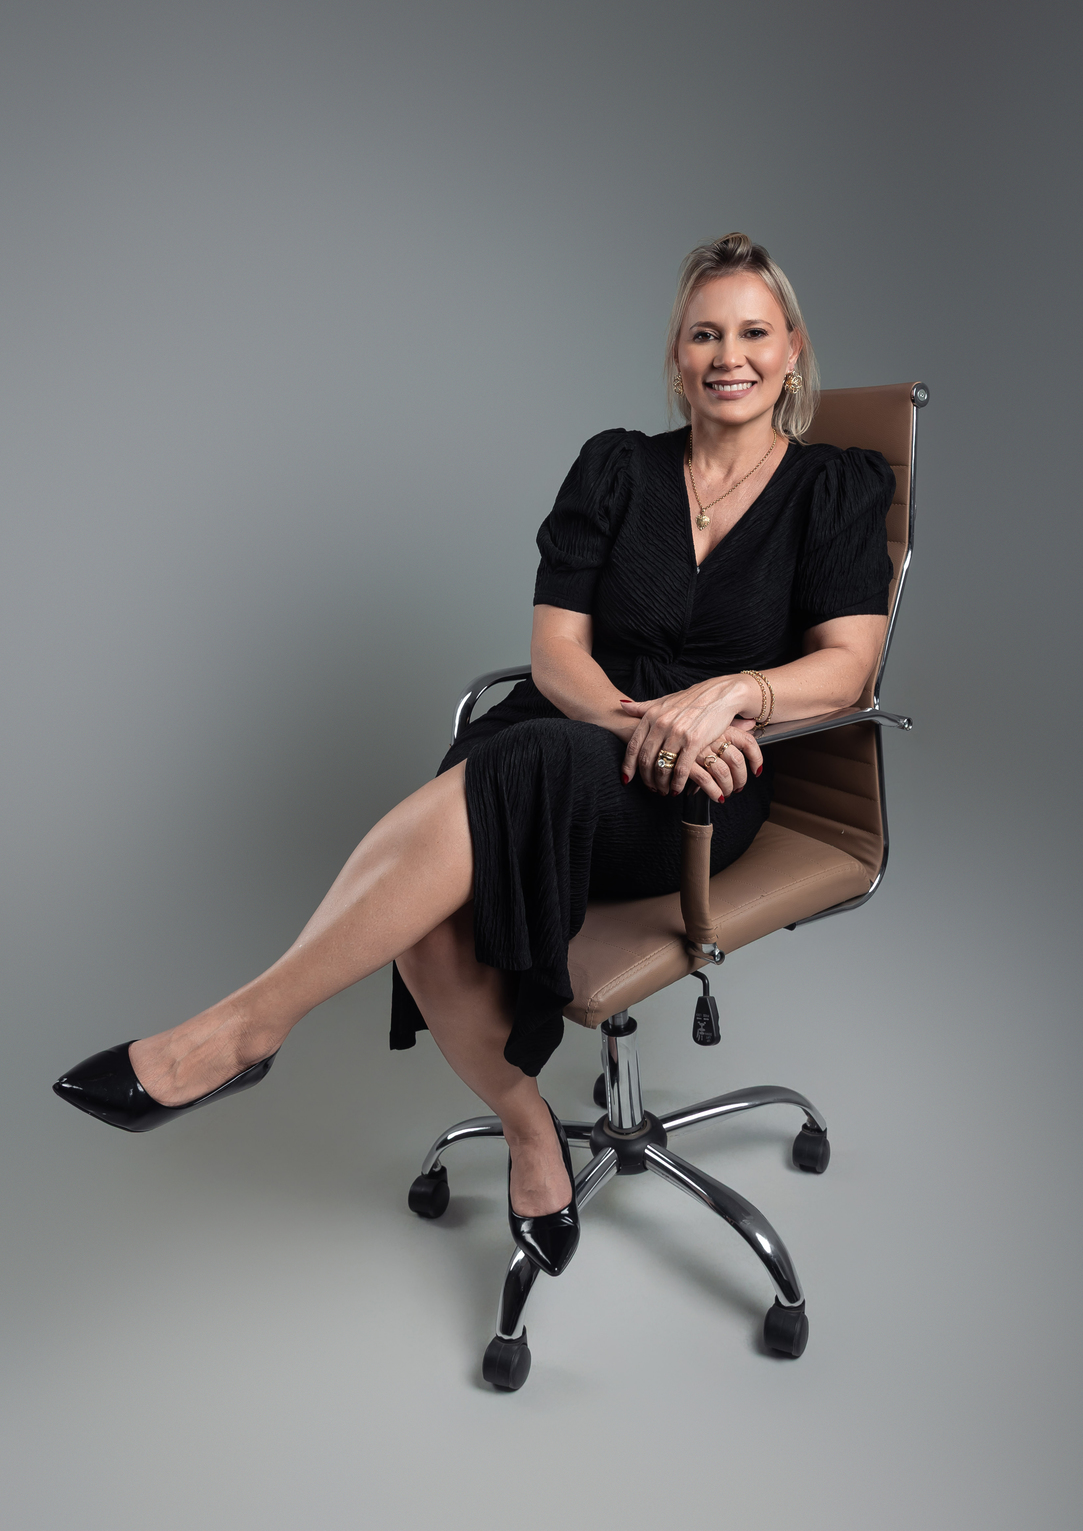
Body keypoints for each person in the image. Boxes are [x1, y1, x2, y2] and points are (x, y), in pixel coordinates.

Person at [53, 232, 895, 1280]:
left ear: (794, 349)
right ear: (676, 356)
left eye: (755, 333)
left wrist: (733, 697)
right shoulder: (615, 467)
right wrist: (647, 725)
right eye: (705, 334)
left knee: (497, 779)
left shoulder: (834, 487)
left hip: (701, 794)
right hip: (582, 732)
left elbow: (848, 668)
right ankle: (530, 1132)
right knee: (452, 876)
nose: (731, 356)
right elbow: (556, 654)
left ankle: (242, 1031)